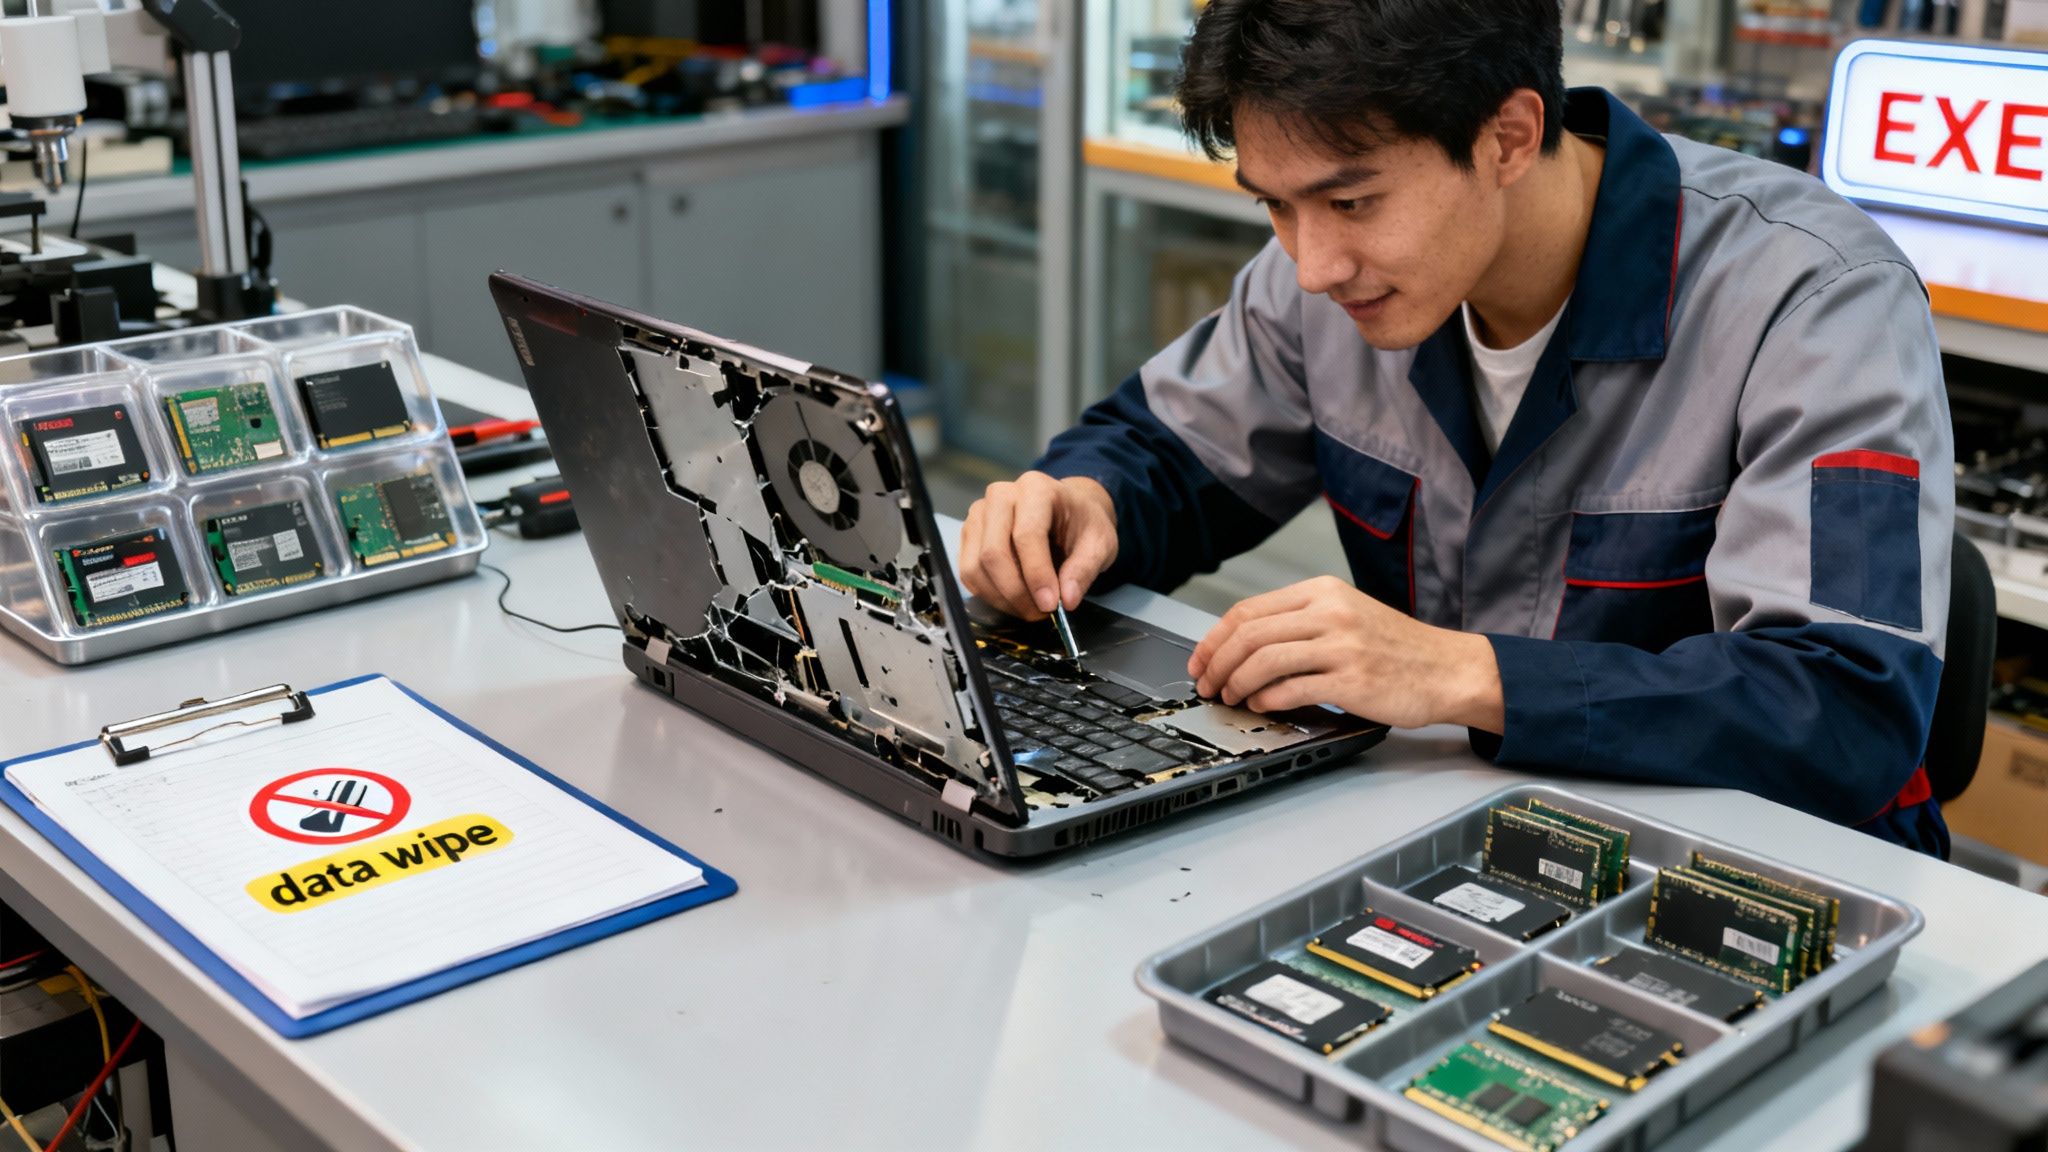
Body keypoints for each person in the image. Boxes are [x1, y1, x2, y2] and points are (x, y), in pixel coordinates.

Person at [958, 0, 1955, 854]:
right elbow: (1166, 453)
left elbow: (1841, 710)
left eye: (1351, 200)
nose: (1311, 265)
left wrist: (1459, 674)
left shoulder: (1816, 303)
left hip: (1765, 881)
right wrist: (1083, 501)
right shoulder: (1334, 285)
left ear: (1508, 137)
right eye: (1274, 207)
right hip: (1469, 839)